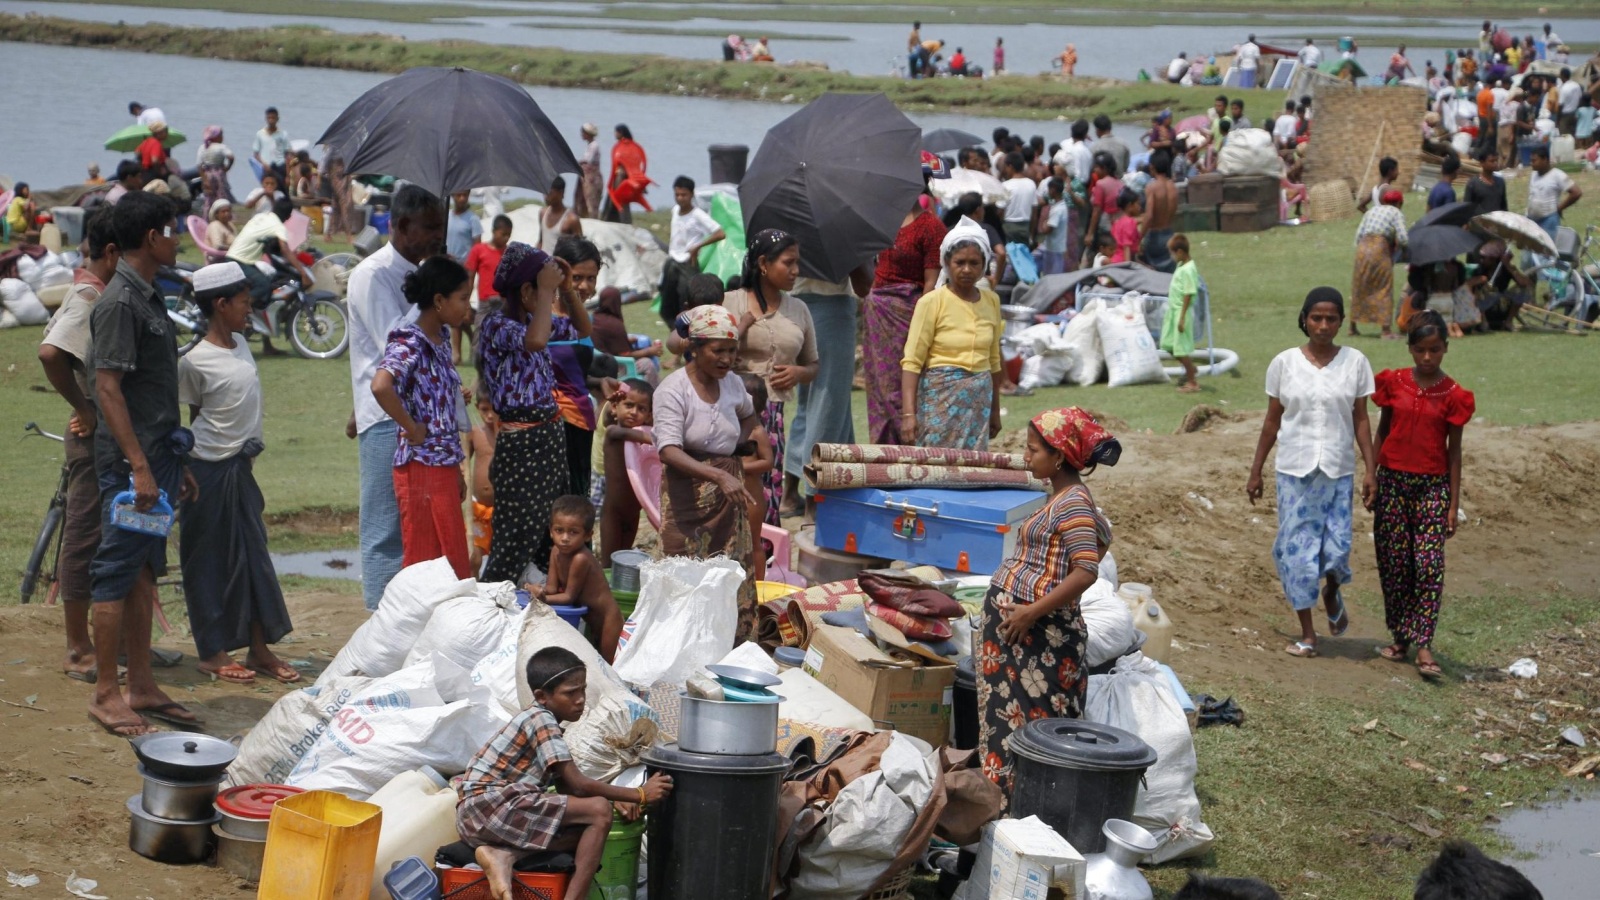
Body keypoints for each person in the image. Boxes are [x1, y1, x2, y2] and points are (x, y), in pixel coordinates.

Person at [86, 192, 201, 735]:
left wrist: (172, 463)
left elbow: (151, 391)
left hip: (156, 457)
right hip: (129, 467)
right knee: (115, 571)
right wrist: (138, 465)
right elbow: (107, 389)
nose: (177, 239)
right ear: (152, 238)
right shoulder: (119, 303)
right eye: (172, 230)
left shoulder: (150, 294)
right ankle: (106, 693)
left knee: (143, 569)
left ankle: (141, 684)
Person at [978, 407, 1119, 796]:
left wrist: (1032, 612)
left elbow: (1086, 569)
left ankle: (1019, 806)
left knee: (1034, 730)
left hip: (1038, 639)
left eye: (1033, 449)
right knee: (1010, 723)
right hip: (1025, 637)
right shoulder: (1062, 497)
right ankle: (1003, 805)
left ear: (1059, 456)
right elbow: (1103, 537)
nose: (1026, 456)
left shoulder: (1072, 501)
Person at [458, 646, 673, 900]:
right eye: (571, 693)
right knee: (599, 811)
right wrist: (638, 794)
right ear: (542, 696)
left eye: (582, 689)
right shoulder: (541, 719)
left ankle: (505, 855)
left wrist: (616, 799)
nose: (580, 699)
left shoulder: (545, 723)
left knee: (586, 829)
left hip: (480, 816)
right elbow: (579, 785)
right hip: (488, 806)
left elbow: (569, 789)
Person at [174, 262, 296, 685]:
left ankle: (259, 649)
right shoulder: (193, 360)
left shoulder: (242, 343)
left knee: (253, 559)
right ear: (221, 304)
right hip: (206, 471)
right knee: (207, 560)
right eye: (244, 302)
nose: (250, 309)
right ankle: (212, 652)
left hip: (241, 469)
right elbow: (194, 415)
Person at [1246, 288, 1376, 659]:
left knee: (1337, 549)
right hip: (1294, 472)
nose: (1323, 325)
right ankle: (1308, 634)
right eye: (1316, 318)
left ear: (1341, 322)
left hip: (1338, 470)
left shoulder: (1355, 362)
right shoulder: (1284, 363)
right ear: (1304, 319)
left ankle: (1332, 589)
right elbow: (1272, 421)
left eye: (1331, 319)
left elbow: (1361, 419)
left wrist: (1371, 470)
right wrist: (1255, 471)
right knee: (1298, 552)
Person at [346, 185, 447, 609]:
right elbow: (397, 343)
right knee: (385, 525)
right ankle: (379, 620)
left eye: (440, 227)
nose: (439, 236)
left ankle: (408, 615)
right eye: (430, 227)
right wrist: (433, 294)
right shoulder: (372, 275)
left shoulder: (414, 273)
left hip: (421, 419)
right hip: (388, 417)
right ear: (402, 226)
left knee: (418, 522)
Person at [1368, 311, 1473, 681]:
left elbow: (1454, 452)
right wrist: (1371, 475)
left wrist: (1453, 504)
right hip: (1392, 483)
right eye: (1420, 350)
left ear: (1445, 348)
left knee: (1429, 566)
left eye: (1435, 349)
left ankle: (1424, 643)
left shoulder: (1455, 396)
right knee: (1395, 564)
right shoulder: (1393, 383)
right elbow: (1382, 431)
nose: (1427, 357)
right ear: (1410, 349)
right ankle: (1400, 637)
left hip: (1432, 488)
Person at [37, 209, 118, 682]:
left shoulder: (94, 290)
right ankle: (76, 647)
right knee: (84, 535)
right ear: (113, 252)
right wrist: (82, 406)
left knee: (107, 534)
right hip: (91, 436)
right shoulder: (89, 297)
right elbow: (50, 352)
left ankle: (110, 640)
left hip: (105, 432)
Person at [654, 305, 761, 640]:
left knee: (730, 570)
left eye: (732, 350)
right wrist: (717, 475)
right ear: (695, 348)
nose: (727, 359)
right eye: (718, 351)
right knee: (683, 570)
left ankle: (731, 645)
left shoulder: (732, 384)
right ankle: (679, 645)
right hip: (687, 493)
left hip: (728, 495)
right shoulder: (673, 390)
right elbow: (668, 450)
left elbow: (749, 415)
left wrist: (737, 446)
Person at [478, 244, 582, 584]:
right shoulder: (498, 325)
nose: (547, 299)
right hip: (522, 443)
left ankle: (538, 598)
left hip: (547, 437)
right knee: (516, 535)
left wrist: (566, 289)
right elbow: (535, 341)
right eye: (541, 291)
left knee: (549, 526)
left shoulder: (533, 321)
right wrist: (549, 290)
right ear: (526, 291)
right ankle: (491, 601)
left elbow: (582, 329)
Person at [369, 256, 475, 578]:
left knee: (450, 560)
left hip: (442, 464)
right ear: (439, 300)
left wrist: (457, 469)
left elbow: (431, 396)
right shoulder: (410, 340)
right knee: (427, 564)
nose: (467, 307)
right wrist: (411, 427)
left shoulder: (439, 339)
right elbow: (381, 386)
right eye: (463, 298)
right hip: (421, 466)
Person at [725, 229, 817, 527]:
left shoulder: (799, 309)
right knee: (729, 486)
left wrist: (799, 373)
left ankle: (763, 548)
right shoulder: (729, 303)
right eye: (788, 263)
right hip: (728, 413)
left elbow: (813, 365)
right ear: (763, 263)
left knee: (766, 490)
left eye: (797, 262)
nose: (796, 270)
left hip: (772, 415)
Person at [901, 219, 1002, 451]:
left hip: (979, 399)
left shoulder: (992, 301)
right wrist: (908, 414)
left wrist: (995, 411)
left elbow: (994, 360)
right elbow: (912, 361)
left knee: (972, 464)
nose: (966, 269)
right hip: (939, 397)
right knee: (936, 461)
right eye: (960, 262)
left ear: (984, 265)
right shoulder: (931, 302)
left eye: (974, 263)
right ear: (947, 263)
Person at [865, 161, 946, 445]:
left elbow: (930, 283)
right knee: (879, 384)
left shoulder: (931, 227)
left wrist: (922, 321)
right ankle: (883, 448)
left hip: (908, 314)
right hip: (878, 312)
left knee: (903, 380)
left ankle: (909, 444)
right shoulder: (883, 221)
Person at [545, 238, 603, 500]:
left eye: (592, 278)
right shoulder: (540, 318)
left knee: (577, 504)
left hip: (581, 422)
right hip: (551, 425)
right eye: (577, 277)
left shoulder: (584, 320)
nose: (585, 286)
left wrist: (599, 383)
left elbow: (571, 373)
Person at [534, 496, 623, 662]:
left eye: (573, 532)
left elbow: (569, 597)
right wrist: (535, 590)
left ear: (588, 535)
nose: (565, 538)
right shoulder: (555, 551)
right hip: (589, 619)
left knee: (610, 666)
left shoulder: (580, 559)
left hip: (608, 620)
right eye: (559, 530)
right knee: (593, 663)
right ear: (551, 531)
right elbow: (552, 588)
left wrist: (542, 598)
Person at [598, 378, 653, 564]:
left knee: (623, 561)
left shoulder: (644, 432)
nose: (634, 412)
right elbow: (646, 437)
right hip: (613, 513)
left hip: (634, 512)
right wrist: (664, 437)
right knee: (608, 564)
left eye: (641, 409)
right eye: (629, 405)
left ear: (649, 415)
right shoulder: (614, 432)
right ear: (615, 407)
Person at [228, 196, 312, 316]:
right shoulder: (278, 226)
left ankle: (254, 314)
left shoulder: (260, 217)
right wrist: (303, 273)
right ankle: (237, 313)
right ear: (288, 217)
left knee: (269, 279)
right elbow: (285, 250)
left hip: (236, 257)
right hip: (239, 261)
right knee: (263, 285)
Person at [658, 176, 724, 326]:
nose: (680, 198)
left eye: (684, 195)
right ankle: (675, 333)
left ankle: (689, 333)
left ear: (692, 194)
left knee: (687, 303)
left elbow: (720, 233)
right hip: (672, 262)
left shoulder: (698, 215)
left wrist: (698, 246)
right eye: (677, 195)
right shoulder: (675, 210)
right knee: (667, 306)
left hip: (687, 264)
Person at [1350, 190, 1408, 339]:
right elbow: (1403, 238)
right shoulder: (1396, 212)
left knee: (1359, 286)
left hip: (1362, 248)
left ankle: (1352, 327)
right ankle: (1386, 331)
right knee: (1384, 287)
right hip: (1379, 248)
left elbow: (1359, 235)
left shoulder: (1371, 211)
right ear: (1399, 203)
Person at [1162, 234, 1202, 393]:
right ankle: (1191, 368)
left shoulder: (1189, 269)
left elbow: (1188, 293)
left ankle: (1192, 382)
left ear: (1180, 252)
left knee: (1180, 348)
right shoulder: (1181, 266)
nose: (1171, 257)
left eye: (1172, 253)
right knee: (1168, 345)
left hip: (1181, 312)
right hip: (1173, 311)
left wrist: (1182, 317)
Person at [468, 386, 499, 576]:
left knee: (499, 554)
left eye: (493, 410)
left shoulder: (508, 433)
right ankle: (474, 586)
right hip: (479, 507)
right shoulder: (474, 433)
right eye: (484, 409)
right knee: (474, 555)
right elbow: (463, 462)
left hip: (503, 508)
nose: (489, 415)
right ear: (477, 407)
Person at [1526, 147, 1581, 247]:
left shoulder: (1557, 175)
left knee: (1546, 251)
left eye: (1534, 161)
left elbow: (1576, 192)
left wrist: (1560, 208)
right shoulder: (1534, 174)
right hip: (1532, 221)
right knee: (1529, 250)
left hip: (1548, 221)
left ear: (1545, 159)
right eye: (1531, 160)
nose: (1531, 163)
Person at [604, 124, 651, 223]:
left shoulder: (624, 147)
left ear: (621, 133)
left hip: (621, 177)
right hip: (621, 176)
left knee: (620, 200)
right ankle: (613, 221)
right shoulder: (630, 146)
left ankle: (623, 222)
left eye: (616, 132)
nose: (615, 134)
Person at [1084, 152, 1124, 265]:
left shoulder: (1101, 184)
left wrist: (1090, 233)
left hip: (1104, 224)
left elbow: (1097, 210)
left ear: (1104, 169)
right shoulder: (1120, 183)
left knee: (1097, 255)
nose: (1094, 170)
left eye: (1097, 167)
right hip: (1117, 224)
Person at [1141, 151, 1178, 272]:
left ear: (1152, 167)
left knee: (1152, 271)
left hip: (1155, 235)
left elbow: (1149, 215)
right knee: (1169, 272)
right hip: (1169, 232)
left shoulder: (1152, 187)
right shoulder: (1173, 186)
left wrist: (1139, 237)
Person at [998, 152, 1035, 246]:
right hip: (1025, 226)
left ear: (1010, 166)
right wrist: (1031, 233)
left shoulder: (1005, 185)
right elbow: (1034, 211)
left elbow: (1000, 211)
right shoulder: (1031, 184)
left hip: (1009, 227)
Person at [1036, 178, 1071, 276]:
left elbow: (1047, 229)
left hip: (1054, 249)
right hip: (1054, 247)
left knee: (1052, 277)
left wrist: (1044, 223)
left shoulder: (1058, 210)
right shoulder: (1060, 206)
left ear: (1053, 190)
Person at [539, 176, 583, 254]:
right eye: (544, 192)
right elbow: (541, 241)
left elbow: (580, 250)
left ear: (561, 193)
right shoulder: (542, 213)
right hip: (543, 261)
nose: (545, 197)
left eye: (549, 193)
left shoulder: (571, 220)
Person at [195, 125, 234, 211]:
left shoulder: (203, 147)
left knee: (209, 196)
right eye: (221, 135)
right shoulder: (221, 147)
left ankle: (207, 214)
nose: (223, 137)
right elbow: (231, 157)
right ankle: (221, 212)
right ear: (217, 137)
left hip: (207, 174)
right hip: (219, 174)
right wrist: (227, 167)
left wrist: (204, 179)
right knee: (221, 195)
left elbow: (199, 165)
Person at [252, 106, 291, 184]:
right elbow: (256, 154)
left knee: (282, 187)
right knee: (268, 187)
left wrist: (288, 175)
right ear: (266, 119)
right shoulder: (260, 134)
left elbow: (287, 155)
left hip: (280, 166)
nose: (271, 120)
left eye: (273, 118)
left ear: (277, 119)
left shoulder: (283, 134)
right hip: (266, 167)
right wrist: (263, 164)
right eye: (269, 118)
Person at [1463, 148, 1506, 216]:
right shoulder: (1473, 184)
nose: (1495, 163)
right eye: (1492, 161)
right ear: (1482, 163)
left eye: (1496, 160)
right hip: (1480, 221)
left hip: (1498, 220)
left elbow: (1504, 206)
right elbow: (1467, 207)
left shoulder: (1500, 182)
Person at [574, 123, 603, 220]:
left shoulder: (594, 145)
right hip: (586, 177)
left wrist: (578, 162)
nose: (582, 134)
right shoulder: (590, 145)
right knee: (581, 198)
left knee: (591, 199)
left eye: (583, 132)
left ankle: (591, 218)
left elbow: (588, 160)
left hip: (591, 178)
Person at [447, 192, 483, 263]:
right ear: (453, 196)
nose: (462, 198)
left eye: (465, 195)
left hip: (464, 266)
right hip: (447, 264)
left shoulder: (473, 219)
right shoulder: (447, 216)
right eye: (459, 195)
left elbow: (477, 247)